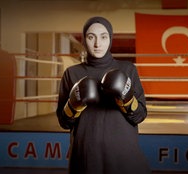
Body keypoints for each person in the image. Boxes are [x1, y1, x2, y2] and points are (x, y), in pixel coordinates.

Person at [56, 16, 151, 174]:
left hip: (123, 154)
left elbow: (140, 115)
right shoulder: (72, 73)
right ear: (84, 39)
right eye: (91, 37)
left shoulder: (127, 69)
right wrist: (74, 104)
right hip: (86, 156)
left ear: (110, 39)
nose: (97, 44)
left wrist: (126, 100)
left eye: (103, 37)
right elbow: (64, 122)